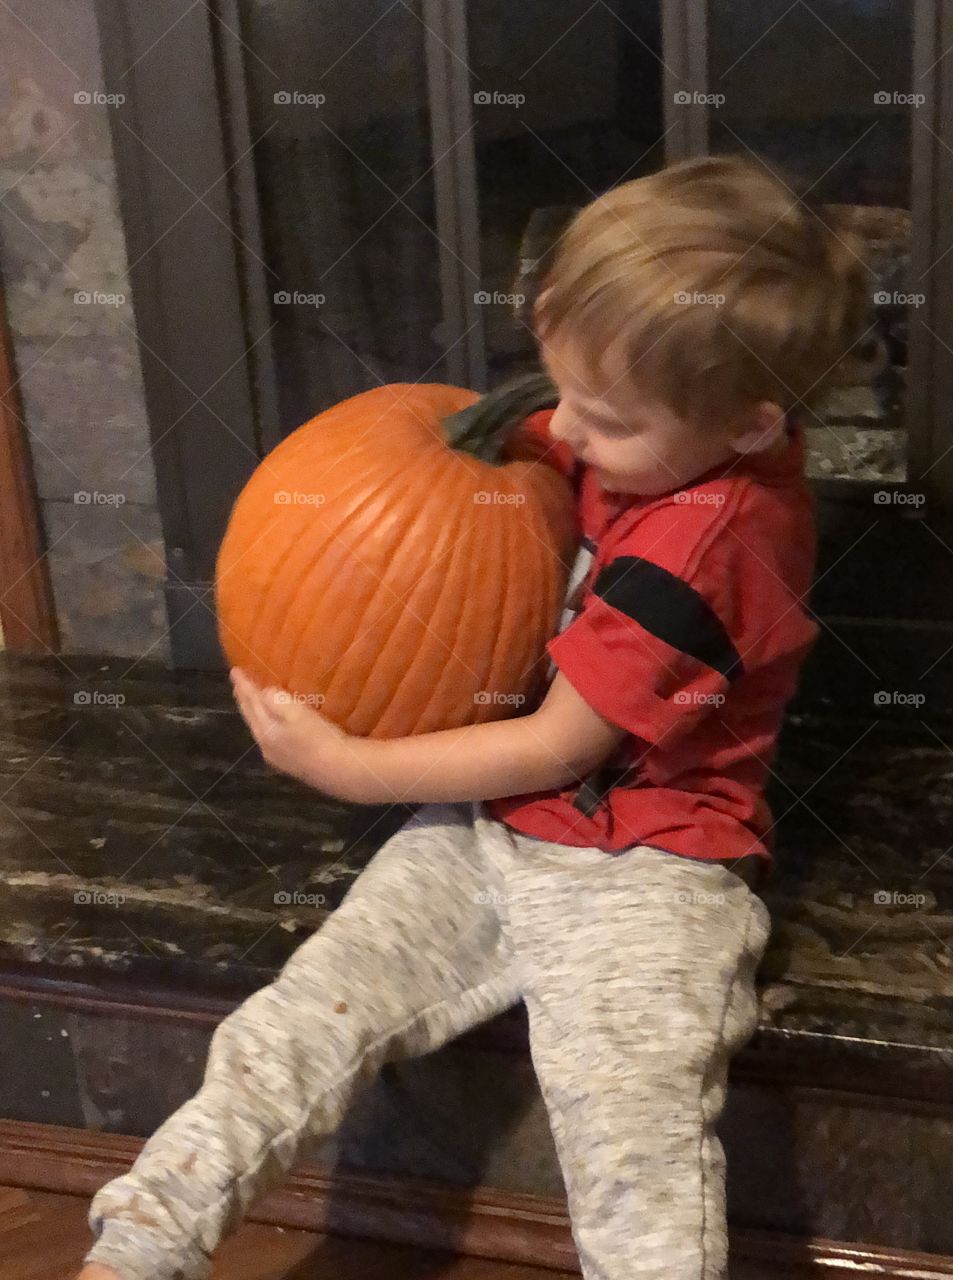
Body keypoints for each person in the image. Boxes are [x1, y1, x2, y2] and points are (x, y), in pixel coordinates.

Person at [76, 152, 866, 1280]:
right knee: (297, 1023)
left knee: (632, 1135)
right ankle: (140, 1244)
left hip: (643, 866)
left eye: (602, 418)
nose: (569, 432)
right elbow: (518, 456)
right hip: (495, 823)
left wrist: (347, 763)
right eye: (561, 388)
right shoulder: (652, 429)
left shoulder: (712, 550)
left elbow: (561, 741)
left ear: (749, 427)